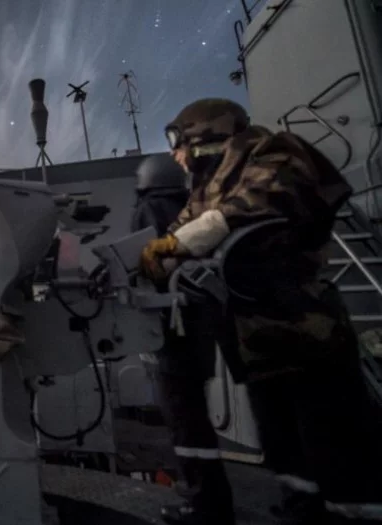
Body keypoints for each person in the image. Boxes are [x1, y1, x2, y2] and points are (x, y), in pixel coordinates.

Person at [140, 97, 382, 524]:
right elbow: (182, 231)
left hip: (307, 331)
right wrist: (152, 258)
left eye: (179, 141)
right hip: (255, 339)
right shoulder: (208, 188)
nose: (175, 154)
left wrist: (187, 240)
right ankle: (301, 513)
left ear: (204, 134)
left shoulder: (275, 151)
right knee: (283, 445)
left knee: (336, 445)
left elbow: (268, 198)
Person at [131, 154, 236, 525]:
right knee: (195, 415)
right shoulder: (190, 208)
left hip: (173, 327)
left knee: (184, 416)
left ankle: (205, 504)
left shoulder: (150, 208)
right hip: (202, 323)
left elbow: (151, 264)